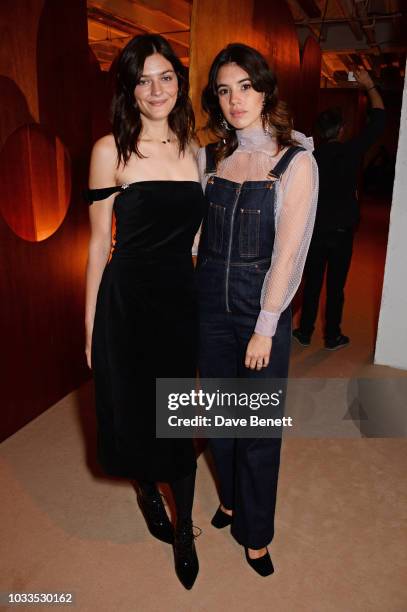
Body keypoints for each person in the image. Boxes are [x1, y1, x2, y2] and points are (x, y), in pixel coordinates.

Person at [84, 34, 205, 590]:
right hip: (127, 303)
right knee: (132, 412)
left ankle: (184, 531)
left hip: (179, 303)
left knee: (180, 420)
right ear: (129, 88)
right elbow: (96, 246)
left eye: (166, 77)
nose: (156, 89)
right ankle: (144, 491)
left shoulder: (195, 147)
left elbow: (196, 235)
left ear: (179, 82)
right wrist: (90, 328)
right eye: (143, 79)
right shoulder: (109, 150)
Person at [196, 43, 318, 576]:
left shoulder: (296, 161)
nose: (235, 99)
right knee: (220, 421)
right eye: (224, 89)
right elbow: (199, 240)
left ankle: (256, 533)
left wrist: (266, 325)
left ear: (265, 89)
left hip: (258, 312)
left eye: (245, 86)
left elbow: (290, 253)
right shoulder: (214, 158)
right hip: (209, 308)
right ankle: (228, 501)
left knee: (259, 429)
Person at [293, 67, 385, 350]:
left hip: (316, 231)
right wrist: (369, 86)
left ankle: (305, 332)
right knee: (336, 287)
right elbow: (379, 121)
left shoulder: (308, 158)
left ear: (319, 133)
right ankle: (332, 336)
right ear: (341, 130)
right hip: (343, 230)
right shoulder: (350, 151)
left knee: (312, 283)